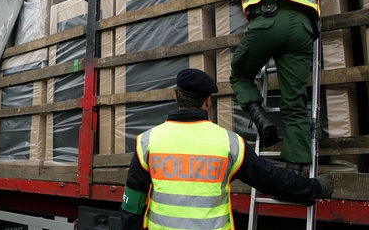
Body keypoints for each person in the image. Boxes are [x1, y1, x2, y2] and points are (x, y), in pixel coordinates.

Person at [209, 0, 348, 173]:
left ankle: (260, 118)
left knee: (240, 75)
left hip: (265, 23)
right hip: (301, 29)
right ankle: (295, 171)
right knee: (295, 102)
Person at [120, 68, 333, 230]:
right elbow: (271, 179)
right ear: (208, 101)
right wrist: (314, 188)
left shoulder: (147, 142)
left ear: (176, 97)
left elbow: (132, 206)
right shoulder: (229, 143)